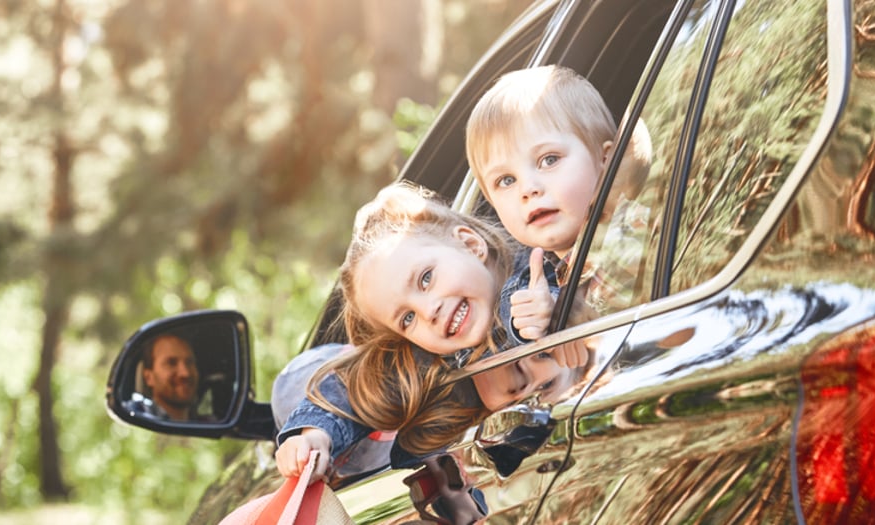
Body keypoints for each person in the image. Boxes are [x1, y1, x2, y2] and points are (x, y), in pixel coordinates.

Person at [275, 183, 585, 480]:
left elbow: (573, 295)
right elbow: (355, 390)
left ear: (470, 244)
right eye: (407, 318)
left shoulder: (536, 268)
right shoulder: (432, 362)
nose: (428, 311)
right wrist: (314, 436)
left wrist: (553, 309)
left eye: (426, 279)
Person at [467, 64, 653, 325]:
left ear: (604, 159)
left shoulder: (631, 228)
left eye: (549, 159)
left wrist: (559, 316)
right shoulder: (529, 276)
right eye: (506, 180)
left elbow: (619, 314)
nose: (528, 189)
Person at [132, 333, 200, 421]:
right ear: (149, 377)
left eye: (189, 362)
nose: (185, 373)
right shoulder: (138, 414)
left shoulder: (210, 423)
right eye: (171, 363)